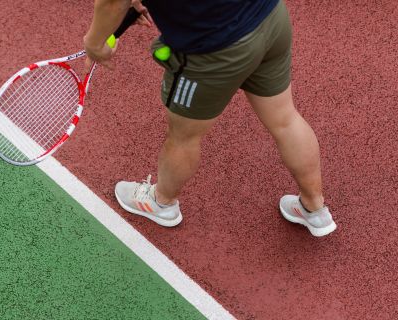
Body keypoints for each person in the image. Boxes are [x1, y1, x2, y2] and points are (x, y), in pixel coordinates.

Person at [82, 0, 337, 236]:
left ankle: (162, 203)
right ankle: (314, 208)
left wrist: (95, 42)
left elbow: (112, 2)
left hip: (212, 50)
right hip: (269, 18)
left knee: (183, 138)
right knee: (285, 119)